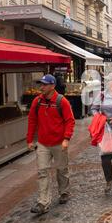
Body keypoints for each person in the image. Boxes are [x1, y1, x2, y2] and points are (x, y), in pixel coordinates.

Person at [27, 75, 76, 215]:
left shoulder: (62, 102)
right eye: (40, 84)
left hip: (59, 143)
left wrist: (66, 138)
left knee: (61, 169)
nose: (41, 87)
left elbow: (70, 121)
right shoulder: (37, 102)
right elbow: (32, 121)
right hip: (42, 143)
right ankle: (43, 202)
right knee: (42, 171)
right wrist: (30, 140)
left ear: (52, 86)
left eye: (44, 84)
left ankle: (64, 192)